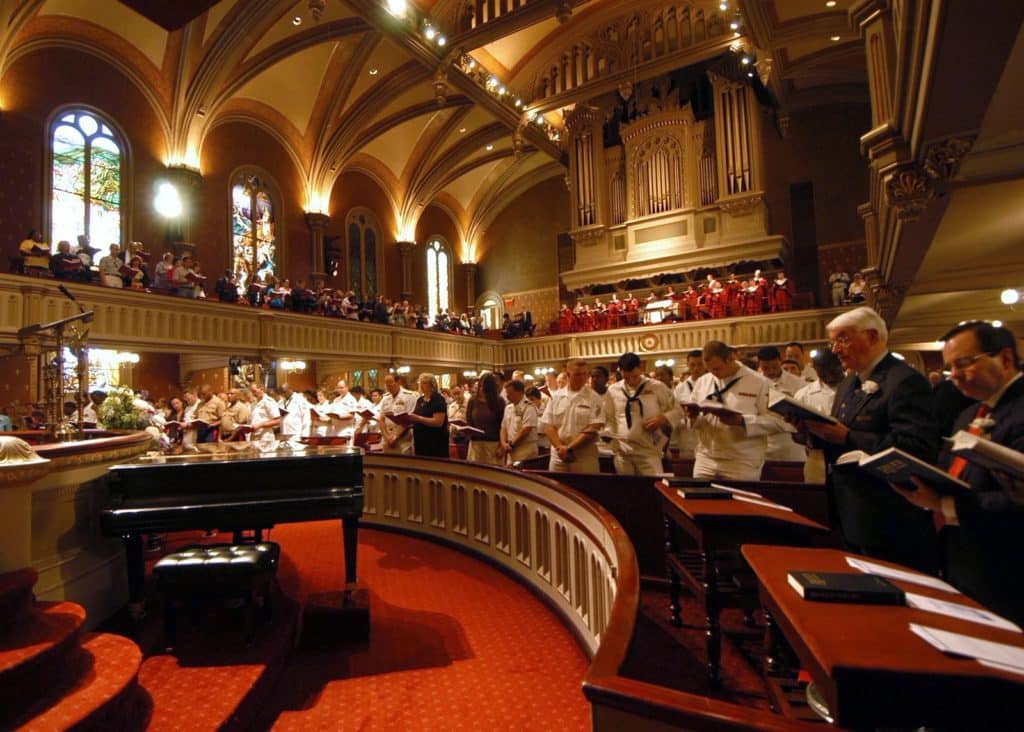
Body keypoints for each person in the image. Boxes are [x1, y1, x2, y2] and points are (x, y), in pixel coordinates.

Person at [891, 321, 1024, 623]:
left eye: (964, 363)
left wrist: (946, 505)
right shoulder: (969, 414)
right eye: (951, 368)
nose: (956, 376)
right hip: (965, 555)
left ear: (1004, 358)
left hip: (1008, 565)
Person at [802, 306, 939, 573]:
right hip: (850, 504)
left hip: (889, 513)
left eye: (842, 339)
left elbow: (915, 448)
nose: (835, 349)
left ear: (873, 337)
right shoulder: (848, 383)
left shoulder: (904, 381)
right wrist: (812, 431)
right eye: (833, 341)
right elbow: (838, 437)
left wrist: (848, 436)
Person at [686, 341, 785, 481]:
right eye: (710, 370)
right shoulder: (704, 382)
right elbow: (695, 421)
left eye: (717, 368)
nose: (714, 373)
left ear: (731, 359)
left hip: (741, 460)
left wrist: (743, 421)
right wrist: (693, 417)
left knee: (739, 501)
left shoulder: (760, 383)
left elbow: (779, 421)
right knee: (700, 500)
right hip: (706, 457)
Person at [605, 352, 681, 475]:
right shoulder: (613, 390)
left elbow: (677, 411)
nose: (631, 381)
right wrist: (608, 433)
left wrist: (662, 418)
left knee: (653, 489)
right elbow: (609, 417)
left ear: (640, 369)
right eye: (627, 377)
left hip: (648, 451)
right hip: (623, 452)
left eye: (634, 376)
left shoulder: (657, 387)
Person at [540, 359, 606, 473]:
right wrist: (560, 448)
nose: (582, 378)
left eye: (585, 374)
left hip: (583, 456)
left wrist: (569, 448)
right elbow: (548, 425)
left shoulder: (594, 398)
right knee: (554, 489)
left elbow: (593, 427)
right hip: (558, 456)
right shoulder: (557, 396)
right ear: (568, 374)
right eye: (577, 374)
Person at [793, 350, 845, 483]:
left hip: (848, 454)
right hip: (817, 457)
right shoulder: (804, 394)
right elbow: (796, 436)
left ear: (842, 365)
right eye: (822, 370)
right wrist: (800, 430)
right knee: (816, 499)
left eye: (833, 368)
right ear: (814, 368)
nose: (828, 373)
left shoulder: (856, 389)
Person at [757, 346, 806, 463]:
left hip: (789, 442)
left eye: (774, 366)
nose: (771, 371)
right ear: (759, 365)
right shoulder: (754, 382)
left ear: (781, 360)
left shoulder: (798, 383)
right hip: (763, 441)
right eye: (765, 368)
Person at [464, 372, 505, 466]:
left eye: (484, 386)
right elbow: (469, 421)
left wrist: (501, 446)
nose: (481, 389)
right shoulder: (473, 401)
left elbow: (503, 425)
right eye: (480, 386)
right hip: (476, 444)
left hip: (493, 444)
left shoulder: (499, 401)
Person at [672, 350, 705, 459]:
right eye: (692, 365)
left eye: (700, 364)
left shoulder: (713, 384)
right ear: (687, 365)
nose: (696, 368)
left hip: (707, 434)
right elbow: (675, 411)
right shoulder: (681, 387)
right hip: (687, 436)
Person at [407, 373, 449, 458]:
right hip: (420, 440)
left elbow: (438, 422)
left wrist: (418, 418)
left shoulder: (438, 399)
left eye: (425, 383)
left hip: (435, 441)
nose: (421, 385)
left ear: (432, 385)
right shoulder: (420, 400)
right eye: (420, 383)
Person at [499, 379, 539, 465]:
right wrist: (503, 444)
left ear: (520, 392)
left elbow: (526, 430)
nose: (507, 396)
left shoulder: (529, 407)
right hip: (511, 450)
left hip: (525, 449)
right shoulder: (508, 408)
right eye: (507, 393)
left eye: (510, 393)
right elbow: (503, 427)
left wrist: (511, 445)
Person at [379, 374, 418, 454]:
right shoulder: (385, 398)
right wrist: (386, 437)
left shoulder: (409, 396)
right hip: (387, 437)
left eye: (391, 385)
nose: (389, 388)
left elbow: (408, 420)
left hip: (403, 437)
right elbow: (381, 419)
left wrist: (394, 437)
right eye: (387, 385)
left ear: (398, 382)